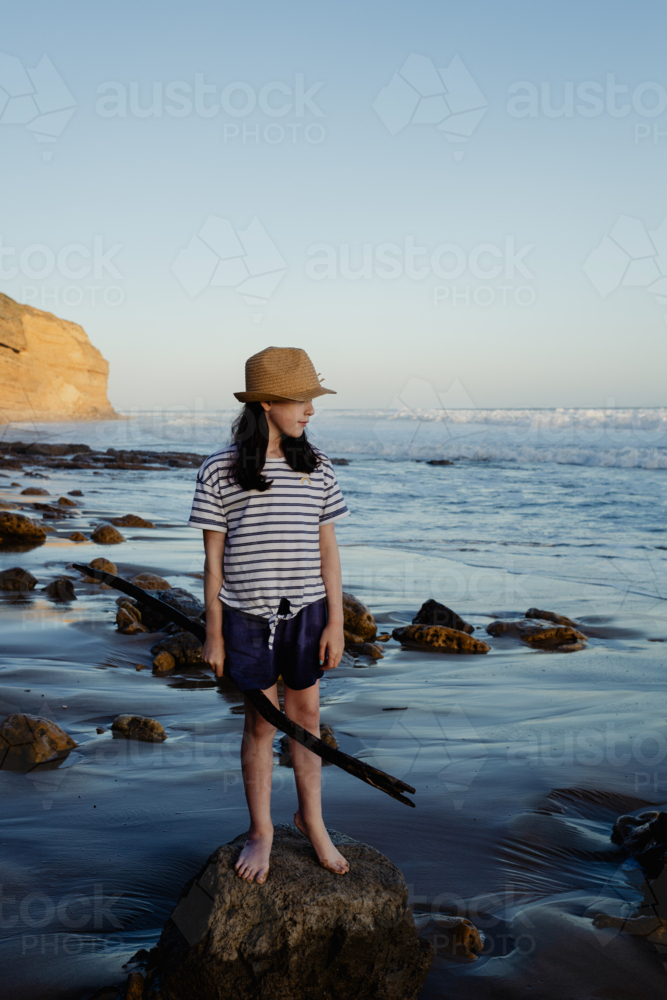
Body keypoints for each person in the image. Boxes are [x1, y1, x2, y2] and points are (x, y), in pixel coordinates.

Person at [188, 346, 351, 884]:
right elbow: (212, 562)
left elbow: (329, 550)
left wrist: (336, 621)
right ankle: (262, 830)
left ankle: (313, 821)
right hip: (246, 617)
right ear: (264, 403)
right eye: (299, 400)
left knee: (306, 720)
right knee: (260, 724)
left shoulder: (318, 466)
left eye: (311, 400)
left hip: (308, 611)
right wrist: (214, 633)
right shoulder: (220, 470)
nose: (310, 410)